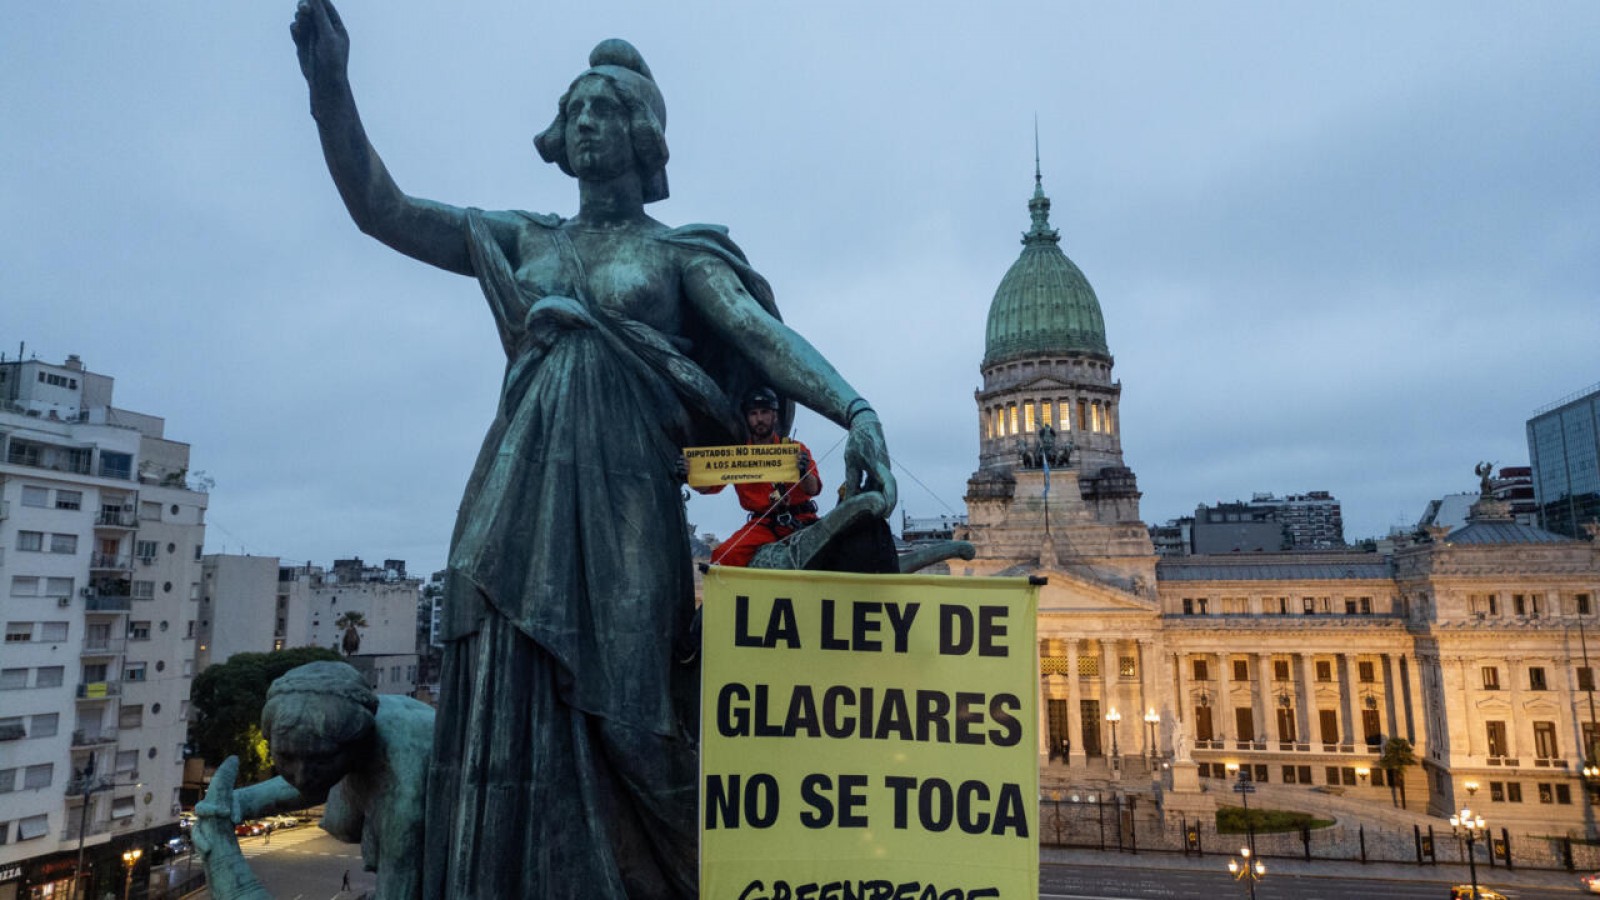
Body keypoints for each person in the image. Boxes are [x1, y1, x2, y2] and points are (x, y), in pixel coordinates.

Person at [288, 4, 896, 898]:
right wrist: (330, 88)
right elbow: (382, 209)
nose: (582, 123)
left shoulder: (676, 254)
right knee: (505, 688)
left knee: (638, 719)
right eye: (572, 110)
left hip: (625, 509)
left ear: (640, 132)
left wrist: (854, 408)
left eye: (601, 110)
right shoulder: (525, 237)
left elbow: (760, 337)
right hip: (510, 505)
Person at [191, 662, 434, 900]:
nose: (301, 776)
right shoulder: (367, 719)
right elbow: (315, 775)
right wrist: (240, 801)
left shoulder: (402, 798)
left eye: (321, 759)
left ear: (356, 745)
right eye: (286, 756)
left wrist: (221, 858)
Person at [696, 387, 822, 567]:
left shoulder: (795, 449)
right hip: (762, 524)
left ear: (775, 416)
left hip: (802, 520)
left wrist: (803, 472)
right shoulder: (737, 456)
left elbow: (813, 489)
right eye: (753, 413)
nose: (759, 419)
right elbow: (707, 487)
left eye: (765, 412)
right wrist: (690, 473)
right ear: (747, 418)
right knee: (723, 557)